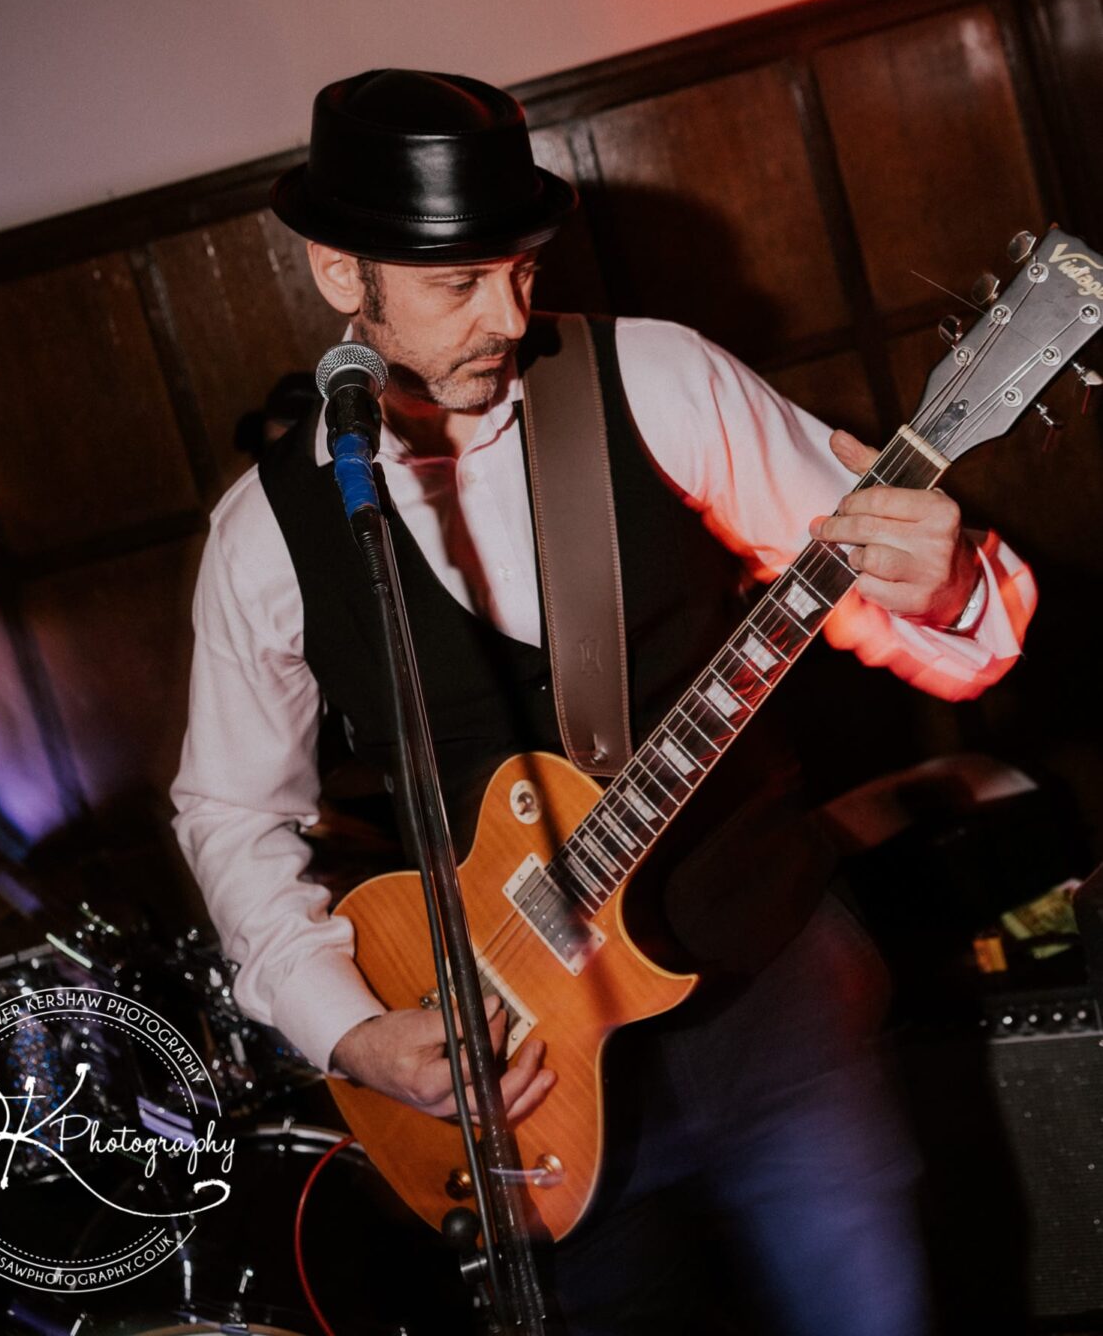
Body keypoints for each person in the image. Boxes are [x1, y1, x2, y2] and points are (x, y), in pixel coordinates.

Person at [171, 69, 1036, 1334]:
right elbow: (230, 817)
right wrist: (352, 1034)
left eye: (519, 268)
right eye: (456, 284)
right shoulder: (264, 535)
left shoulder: (660, 382)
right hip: (526, 1093)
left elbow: (957, 651)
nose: (506, 316)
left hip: (772, 1013)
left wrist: (947, 580)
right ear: (335, 273)